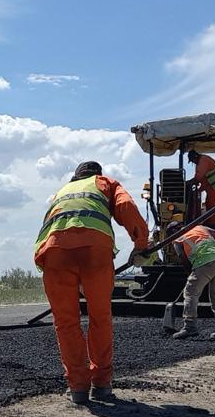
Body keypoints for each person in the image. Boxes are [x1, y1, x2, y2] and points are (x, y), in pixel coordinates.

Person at [34, 161, 149, 404]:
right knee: (100, 317)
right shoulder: (104, 183)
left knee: (66, 323)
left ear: (76, 177)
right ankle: (101, 384)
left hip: (55, 252)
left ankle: (77, 389)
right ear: (98, 174)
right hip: (94, 251)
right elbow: (126, 205)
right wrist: (141, 245)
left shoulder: (62, 191)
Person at [169, 222, 215, 341]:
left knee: (190, 293)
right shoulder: (200, 227)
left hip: (206, 261)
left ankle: (190, 327)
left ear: (172, 232)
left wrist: (191, 274)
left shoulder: (177, 239)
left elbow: (183, 258)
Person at [186, 150, 215, 223]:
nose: (193, 162)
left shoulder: (203, 160)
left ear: (195, 157)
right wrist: (199, 189)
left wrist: (190, 182)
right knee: (208, 203)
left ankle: (213, 224)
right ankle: (210, 221)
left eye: (192, 160)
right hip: (211, 185)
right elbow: (203, 179)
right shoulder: (200, 163)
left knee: (212, 205)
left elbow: (199, 176)